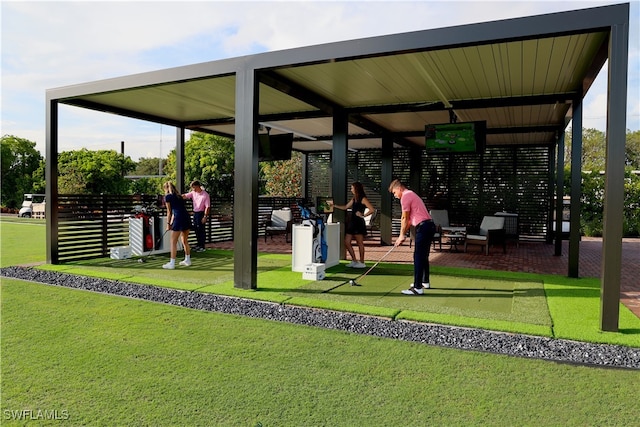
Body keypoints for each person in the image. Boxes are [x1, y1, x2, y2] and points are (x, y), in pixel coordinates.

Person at [388, 179, 436, 295]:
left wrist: (401, 235)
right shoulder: (411, 194)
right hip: (428, 226)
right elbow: (409, 221)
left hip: (424, 227)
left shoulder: (405, 196)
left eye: (394, 193)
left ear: (399, 189)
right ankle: (424, 281)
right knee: (423, 256)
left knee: (418, 256)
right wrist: (402, 235)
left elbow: (404, 218)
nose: (395, 196)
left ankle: (417, 288)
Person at [329, 182, 376, 268]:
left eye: (352, 188)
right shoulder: (354, 198)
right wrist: (334, 205)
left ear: (356, 189)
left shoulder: (363, 198)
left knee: (359, 243)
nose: (351, 190)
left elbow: (372, 209)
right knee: (346, 242)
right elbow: (345, 207)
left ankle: (362, 262)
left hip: (358, 223)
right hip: (352, 222)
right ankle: (354, 260)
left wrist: (363, 215)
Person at [162, 181, 192, 269]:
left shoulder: (167, 197)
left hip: (178, 218)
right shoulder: (179, 196)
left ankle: (172, 263)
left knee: (173, 242)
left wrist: (168, 224)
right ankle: (188, 260)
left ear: (166, 188)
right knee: (185, 240)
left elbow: (169, 211)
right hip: (186, 217)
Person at [183, 180, 210, 252]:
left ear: (198, 186)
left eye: (194, 187)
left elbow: (207, 207)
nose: (193, 189)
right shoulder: (193, 193)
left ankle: (202, 246)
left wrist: (205, 216)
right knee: (196, 229)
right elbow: (185, 196)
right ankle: (198, 244)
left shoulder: (205, 195)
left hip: (201, 213)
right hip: (195, 213)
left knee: (201, 229)